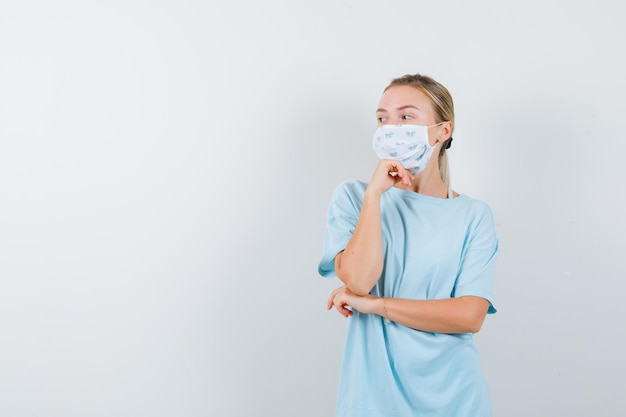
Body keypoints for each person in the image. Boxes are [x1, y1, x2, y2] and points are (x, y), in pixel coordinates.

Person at [318, 73, 499, 417]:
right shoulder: (353, 197)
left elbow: (469, 315)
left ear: (443, 131)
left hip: (455, 397)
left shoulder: (474, 215)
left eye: (406, 117)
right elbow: (358, 280)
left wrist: (374, 306)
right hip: (372, 397)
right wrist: (374, 195)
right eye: (382, 118)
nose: (390, 128)